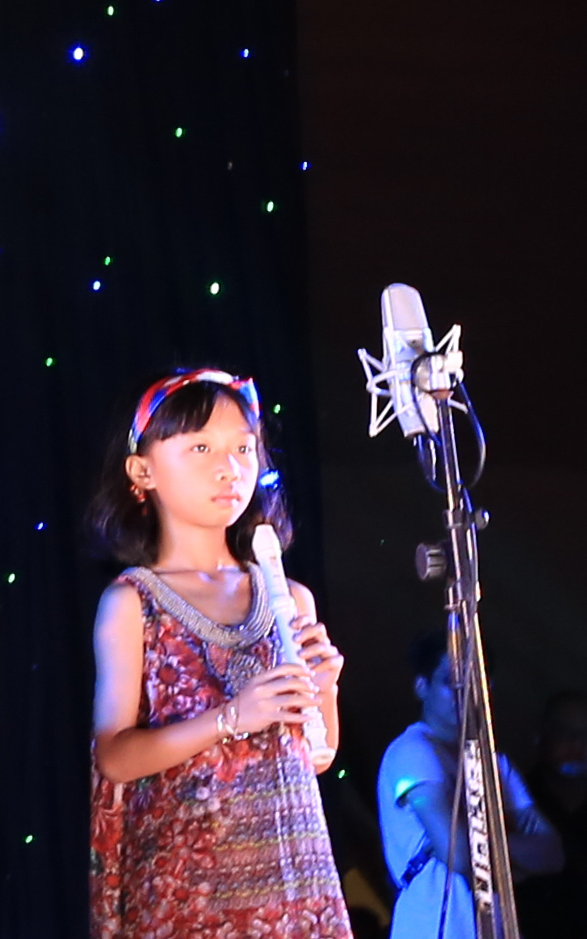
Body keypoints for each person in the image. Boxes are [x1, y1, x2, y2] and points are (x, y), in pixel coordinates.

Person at [87, 369, 353, 937]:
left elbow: (317, 755)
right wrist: (232, 717)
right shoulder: (133, 602)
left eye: (243, 448)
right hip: (194, 892)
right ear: (142, 471)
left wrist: (325, 689)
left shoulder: (289, 596)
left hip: (295, 883)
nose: (230, 467)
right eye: (201, 448)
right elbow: (114, 756)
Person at [377, 633, 565, 938]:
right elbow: (458, 853)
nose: (463, 691)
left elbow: (552, 853)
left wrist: (489, 848)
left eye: (476, 680)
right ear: (422, 687)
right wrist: (515, 855)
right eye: (450, 681)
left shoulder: (495, 762)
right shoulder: (411, 751)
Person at [519, 690, 587, 934]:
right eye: (564, 733)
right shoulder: (515, 802)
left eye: (585, 735)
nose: (577, 745)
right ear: (540, 736)